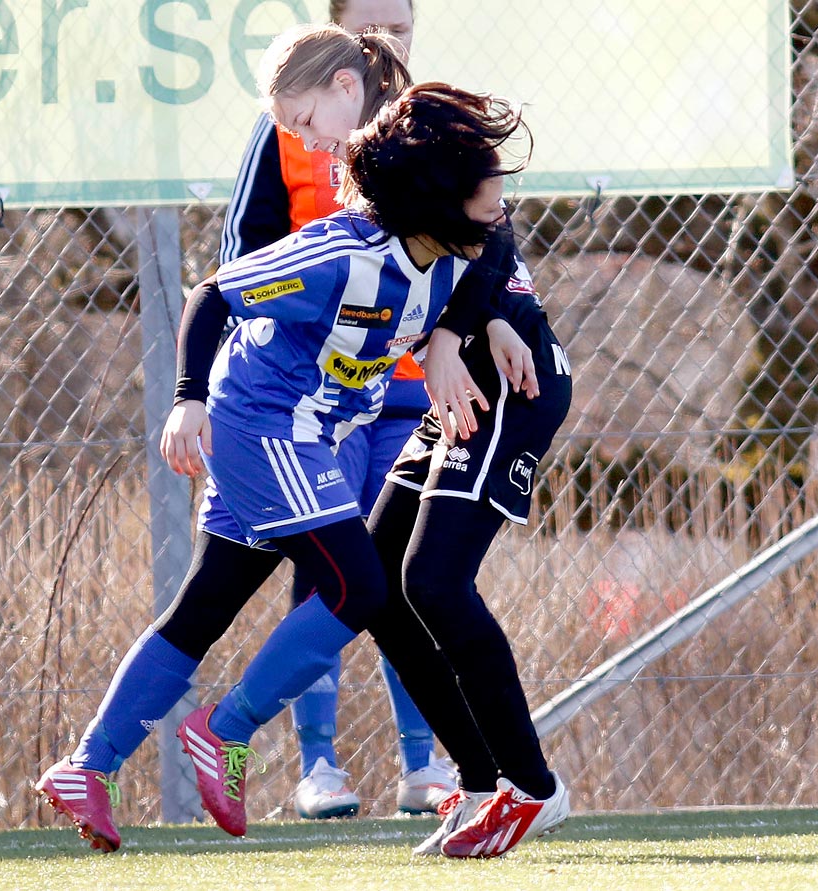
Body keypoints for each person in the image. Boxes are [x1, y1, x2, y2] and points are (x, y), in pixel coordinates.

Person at [33, 30, 527, 852]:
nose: (497, 208)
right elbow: (213, 292)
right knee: (359, 586)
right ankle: (225, 732)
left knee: (208, 602)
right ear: (439, 199)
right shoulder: (341, 251)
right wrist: (187, 400)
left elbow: (495, 253)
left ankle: (88, 764)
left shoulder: (451, 250)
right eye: (482, 196)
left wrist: (471, 330)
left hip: (302, 429)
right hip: (263, 423)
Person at [254, 24, 575, 859]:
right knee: (378, 587)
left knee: (433, 579)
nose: (301, 139)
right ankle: (478, 779)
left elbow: (491, 235)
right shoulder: (370, 163)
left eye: (303, 119)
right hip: (462, 377)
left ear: (342, 88)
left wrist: (466, 330)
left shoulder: (409, 147)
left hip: (507, 385)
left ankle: (532, 787)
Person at [221, 0, 451, 820]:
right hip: (321, 399)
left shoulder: (432, 121)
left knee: (408, 571)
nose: (391, 33)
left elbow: (476, 241)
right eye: (374, 19)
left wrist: (460, 339)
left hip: (412, 391)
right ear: (338, 32)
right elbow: (239, 258)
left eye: (404, 19)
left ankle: (424, 765)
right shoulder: (294, 122)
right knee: (329, 565)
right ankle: (318, 765)